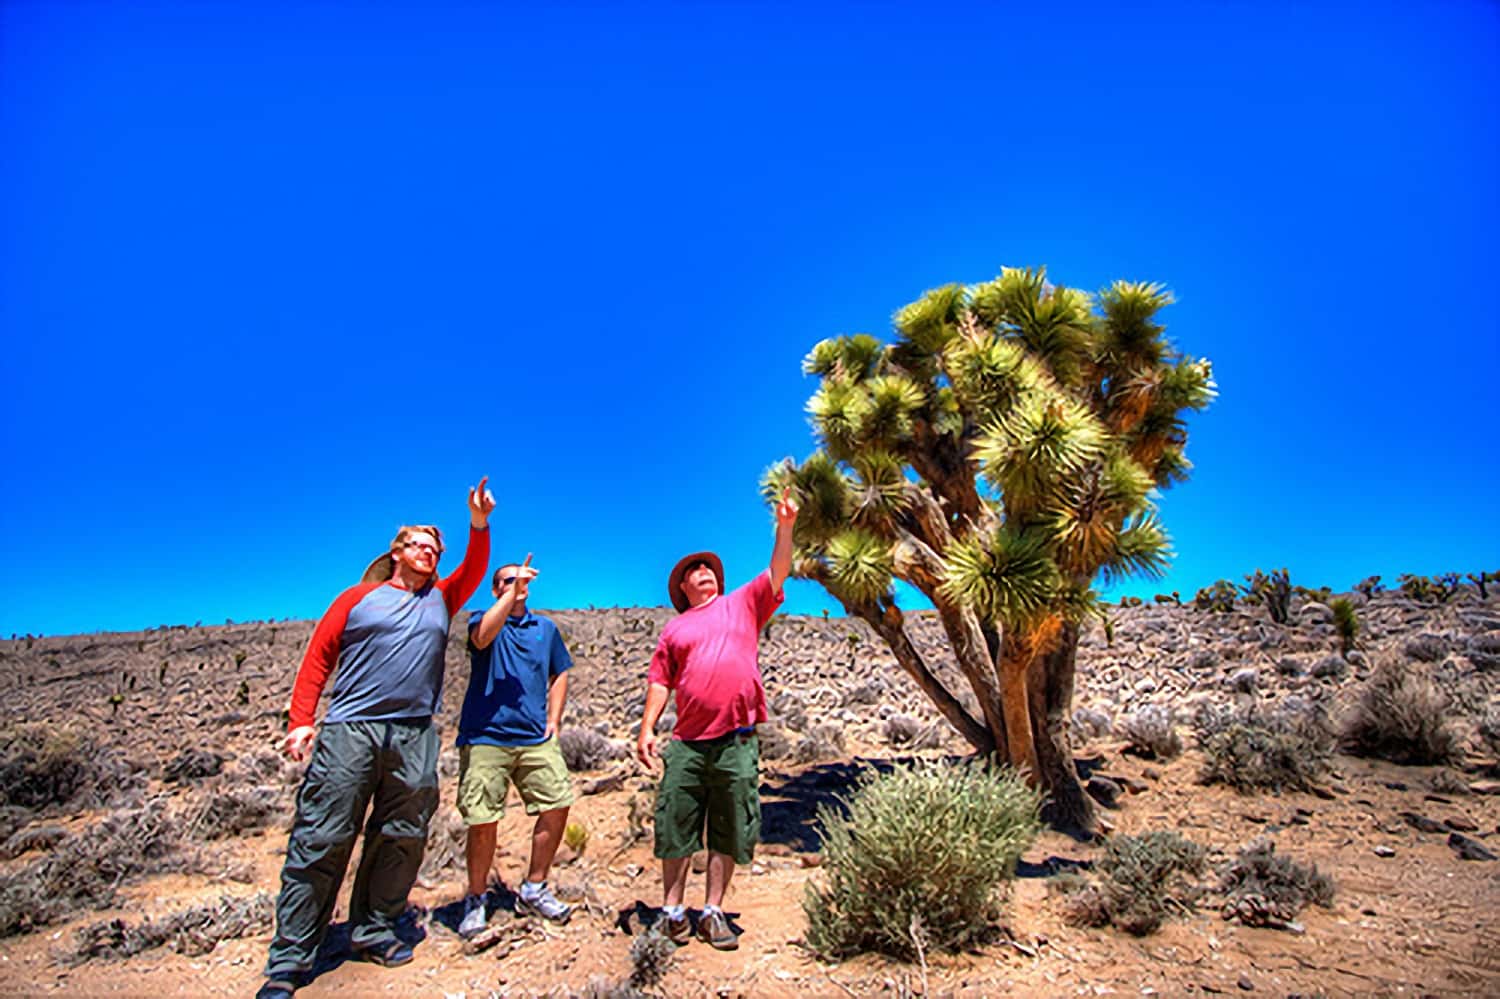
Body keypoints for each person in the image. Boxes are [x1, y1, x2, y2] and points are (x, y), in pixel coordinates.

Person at [256, 479, 494, 999]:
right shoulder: (358, 598)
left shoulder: (442, 598)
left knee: (402, 835)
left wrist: (477, 523)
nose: (429, 551)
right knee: (323, 835)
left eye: (435, 547)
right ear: (396, 551)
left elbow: (475, 569)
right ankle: (292, 958)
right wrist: (301, 719)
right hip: (350, 730)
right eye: (418, 544)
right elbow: (319, 656)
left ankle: (374, 930)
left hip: (414, 733)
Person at [635, 489, 798, 950]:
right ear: (683, 589)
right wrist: (647, 726)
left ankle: (712, 911)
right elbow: (660, 681)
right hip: (686, 741)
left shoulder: (743, 603)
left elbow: (777, 571)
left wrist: (785, 527)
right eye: (693, 571)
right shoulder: (675, 629)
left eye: (707, 568)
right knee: (676, 826)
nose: (702, 572)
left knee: (728, 825)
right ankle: (671, 912)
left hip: (737, 739)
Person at [455, 557, 576, 937]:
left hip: (533, 737)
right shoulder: (482, 618)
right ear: (495, 589)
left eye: (521, 579)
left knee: (557, 802)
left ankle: (534, 887)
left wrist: (554, 719)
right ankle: (477, 898)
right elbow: (482, 638)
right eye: (507, 580)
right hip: (485, 736)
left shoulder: (545, 628)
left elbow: (561, 672)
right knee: (483, 818)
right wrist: (510, 593)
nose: (517, 583)